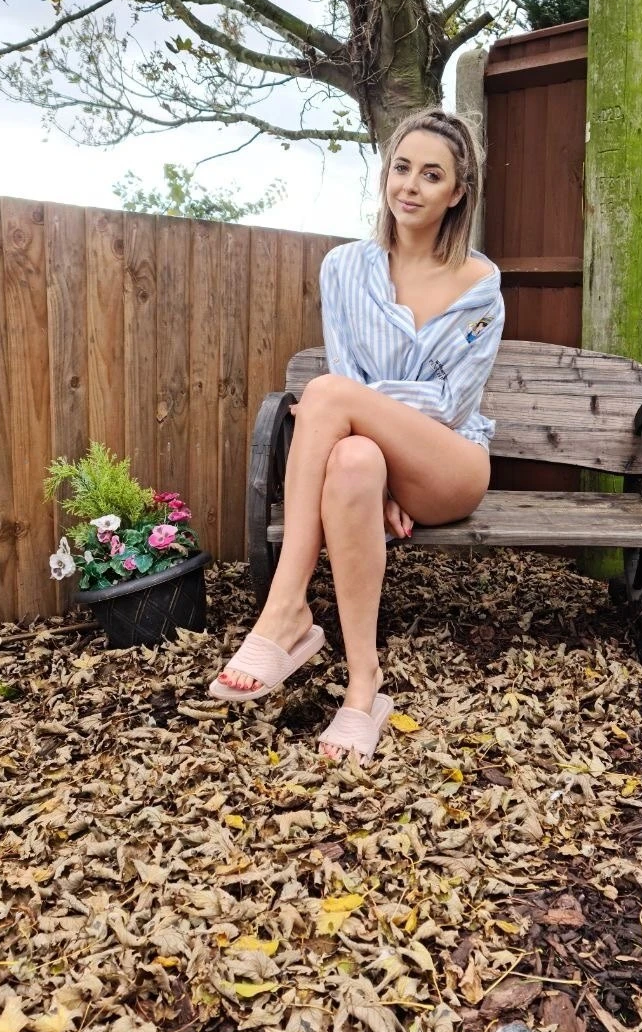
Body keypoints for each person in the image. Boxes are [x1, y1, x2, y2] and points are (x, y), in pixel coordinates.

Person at [209, 107, 505, 763]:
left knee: (325, 396)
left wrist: (365, 407)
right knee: (350, 461)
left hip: (452, 467)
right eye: (402, 168)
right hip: (379, 460)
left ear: (458, 192)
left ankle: (285, 610)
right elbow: (352, 380)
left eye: (432, 175)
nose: (410, 186)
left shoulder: (480, 284)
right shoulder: (344, 268)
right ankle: (363, 690)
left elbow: (450, 403)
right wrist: (379, 467)